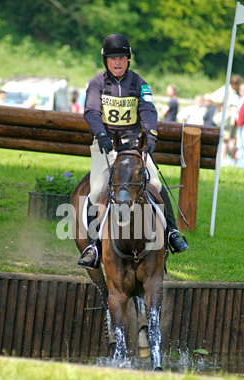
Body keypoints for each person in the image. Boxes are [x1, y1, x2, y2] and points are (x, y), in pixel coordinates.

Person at [78, 33, 188, 269]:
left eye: (121, 58)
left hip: (134, 145)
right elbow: (91, 112)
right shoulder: (96, 83)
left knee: (156, 184)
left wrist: (151, 133)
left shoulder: (141, 84)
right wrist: (101, 134)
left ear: (128, 59)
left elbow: (148, 110)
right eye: (112, 59)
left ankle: (172, 233)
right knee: (97, 190)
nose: (117, 63)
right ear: (105, 61)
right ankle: (93, 245)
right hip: (106, 144)